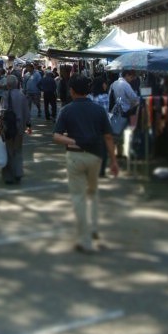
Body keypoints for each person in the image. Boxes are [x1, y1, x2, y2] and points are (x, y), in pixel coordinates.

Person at [53, 74, 119, 254]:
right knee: (93, 192)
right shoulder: (98, 110)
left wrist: (72, 141)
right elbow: (107, 136)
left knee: (78, 197)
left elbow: (57, 136)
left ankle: (85, 239)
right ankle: (94, 228)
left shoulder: (66, 110)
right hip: (95, 156)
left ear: (72, 91)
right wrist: (113, 160)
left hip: (74, 156)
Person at [0, 75, 31, 185]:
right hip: (19, 126)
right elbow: (26, 112)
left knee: (8, 151)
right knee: (18, 150)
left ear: (7, 85)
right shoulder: (22, 96)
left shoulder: (5, 95)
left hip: (7, 127)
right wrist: (28, 125)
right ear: (16, 84)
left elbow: (2, 112)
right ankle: (18, 172)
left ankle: (8, 176)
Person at [88, 77, 110, 177]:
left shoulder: (89, 97)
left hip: (91, 126)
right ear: (102, 85)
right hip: (103, 126)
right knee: (103, 150)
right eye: (105, 84)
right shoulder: (105, 97)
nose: (106, 85)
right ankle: (101, 171)